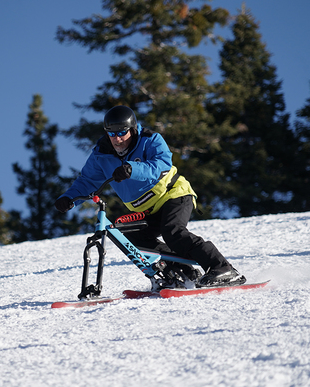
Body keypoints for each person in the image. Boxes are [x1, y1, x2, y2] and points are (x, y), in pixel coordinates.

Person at [55, 105, 245, 287]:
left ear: (132, 129)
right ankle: (181, 272)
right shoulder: (101, 155)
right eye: (111, 133)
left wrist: (132, 169)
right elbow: (87, 181)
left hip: (173, 194)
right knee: (131, 237)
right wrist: (69, 198)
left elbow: (162, 163)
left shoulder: (149, 140)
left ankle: (222, 268)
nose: (117, 139)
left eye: (122, 132)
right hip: (145, 209)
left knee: (173, 231)